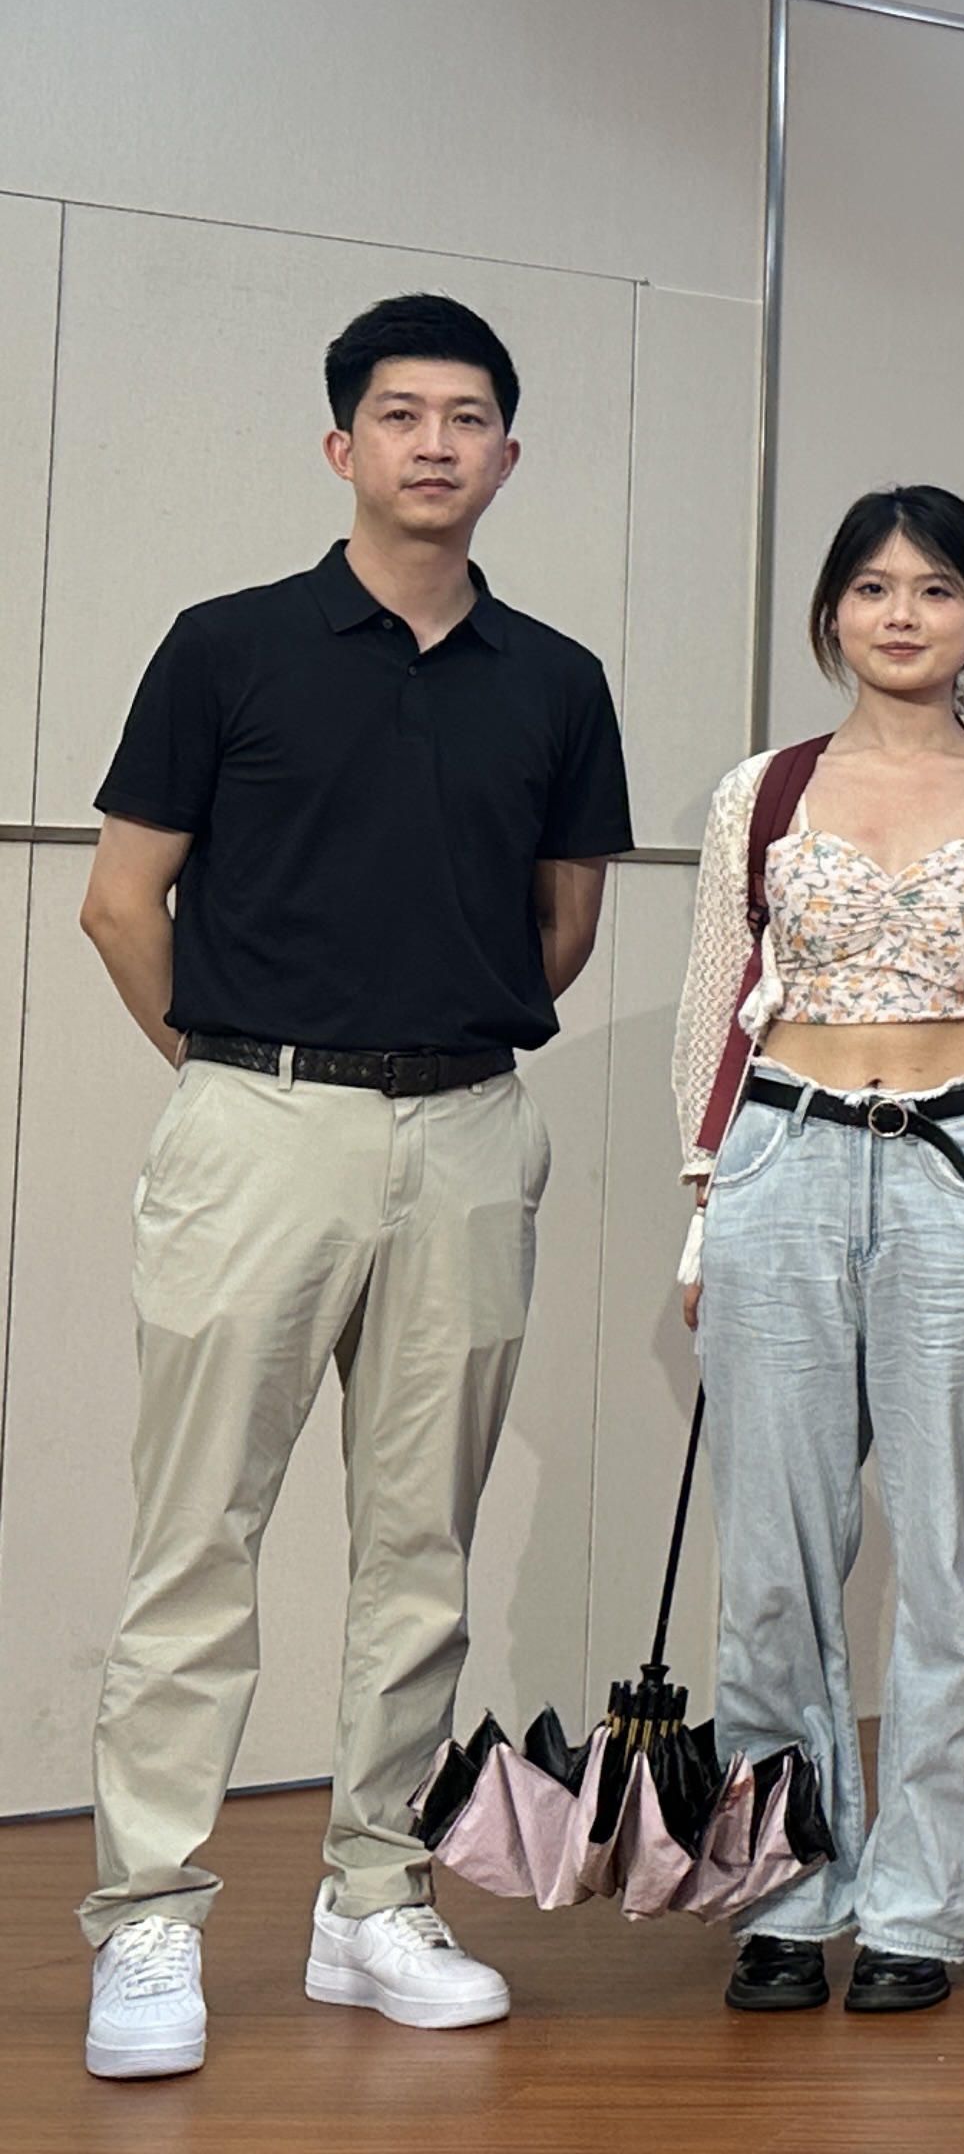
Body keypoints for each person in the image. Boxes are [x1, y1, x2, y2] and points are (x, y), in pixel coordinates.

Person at [75, 295, 630, 2083]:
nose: (435, 443)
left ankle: (374, 1893)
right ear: (343, 446)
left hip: (468, 1132)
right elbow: (120, 902)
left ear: (509, 457)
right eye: (401, 414)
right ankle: (149, 1911)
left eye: (468, 417)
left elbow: (561, 926)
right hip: (257, 1119)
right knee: (197, 1535)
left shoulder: (556, 681)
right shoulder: (225, 647)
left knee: (420, 1549)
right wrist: (241, 1074)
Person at [669, 488, 964, 2017]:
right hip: (780, 1155)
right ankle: (781, 1895)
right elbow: (715, 1004)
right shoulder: (764, 789)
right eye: (871, 587)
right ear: (830, 614)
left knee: (955, 1565)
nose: (902, 614)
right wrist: (704, 1202)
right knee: (773, 1568)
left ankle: (918, 1908)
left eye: (935, 588)